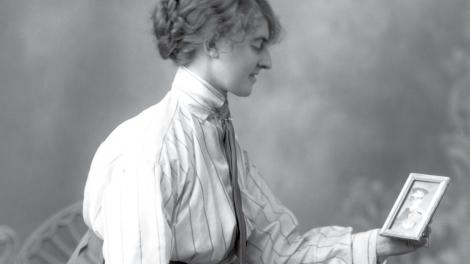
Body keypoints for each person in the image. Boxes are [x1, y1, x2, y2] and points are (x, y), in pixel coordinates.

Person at [68, 0, 429, 263]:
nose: (267, 61)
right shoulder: (154, 151)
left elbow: (278, 248)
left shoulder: (217, 134)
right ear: (212, 43)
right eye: (258, 44)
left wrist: (380, 245)